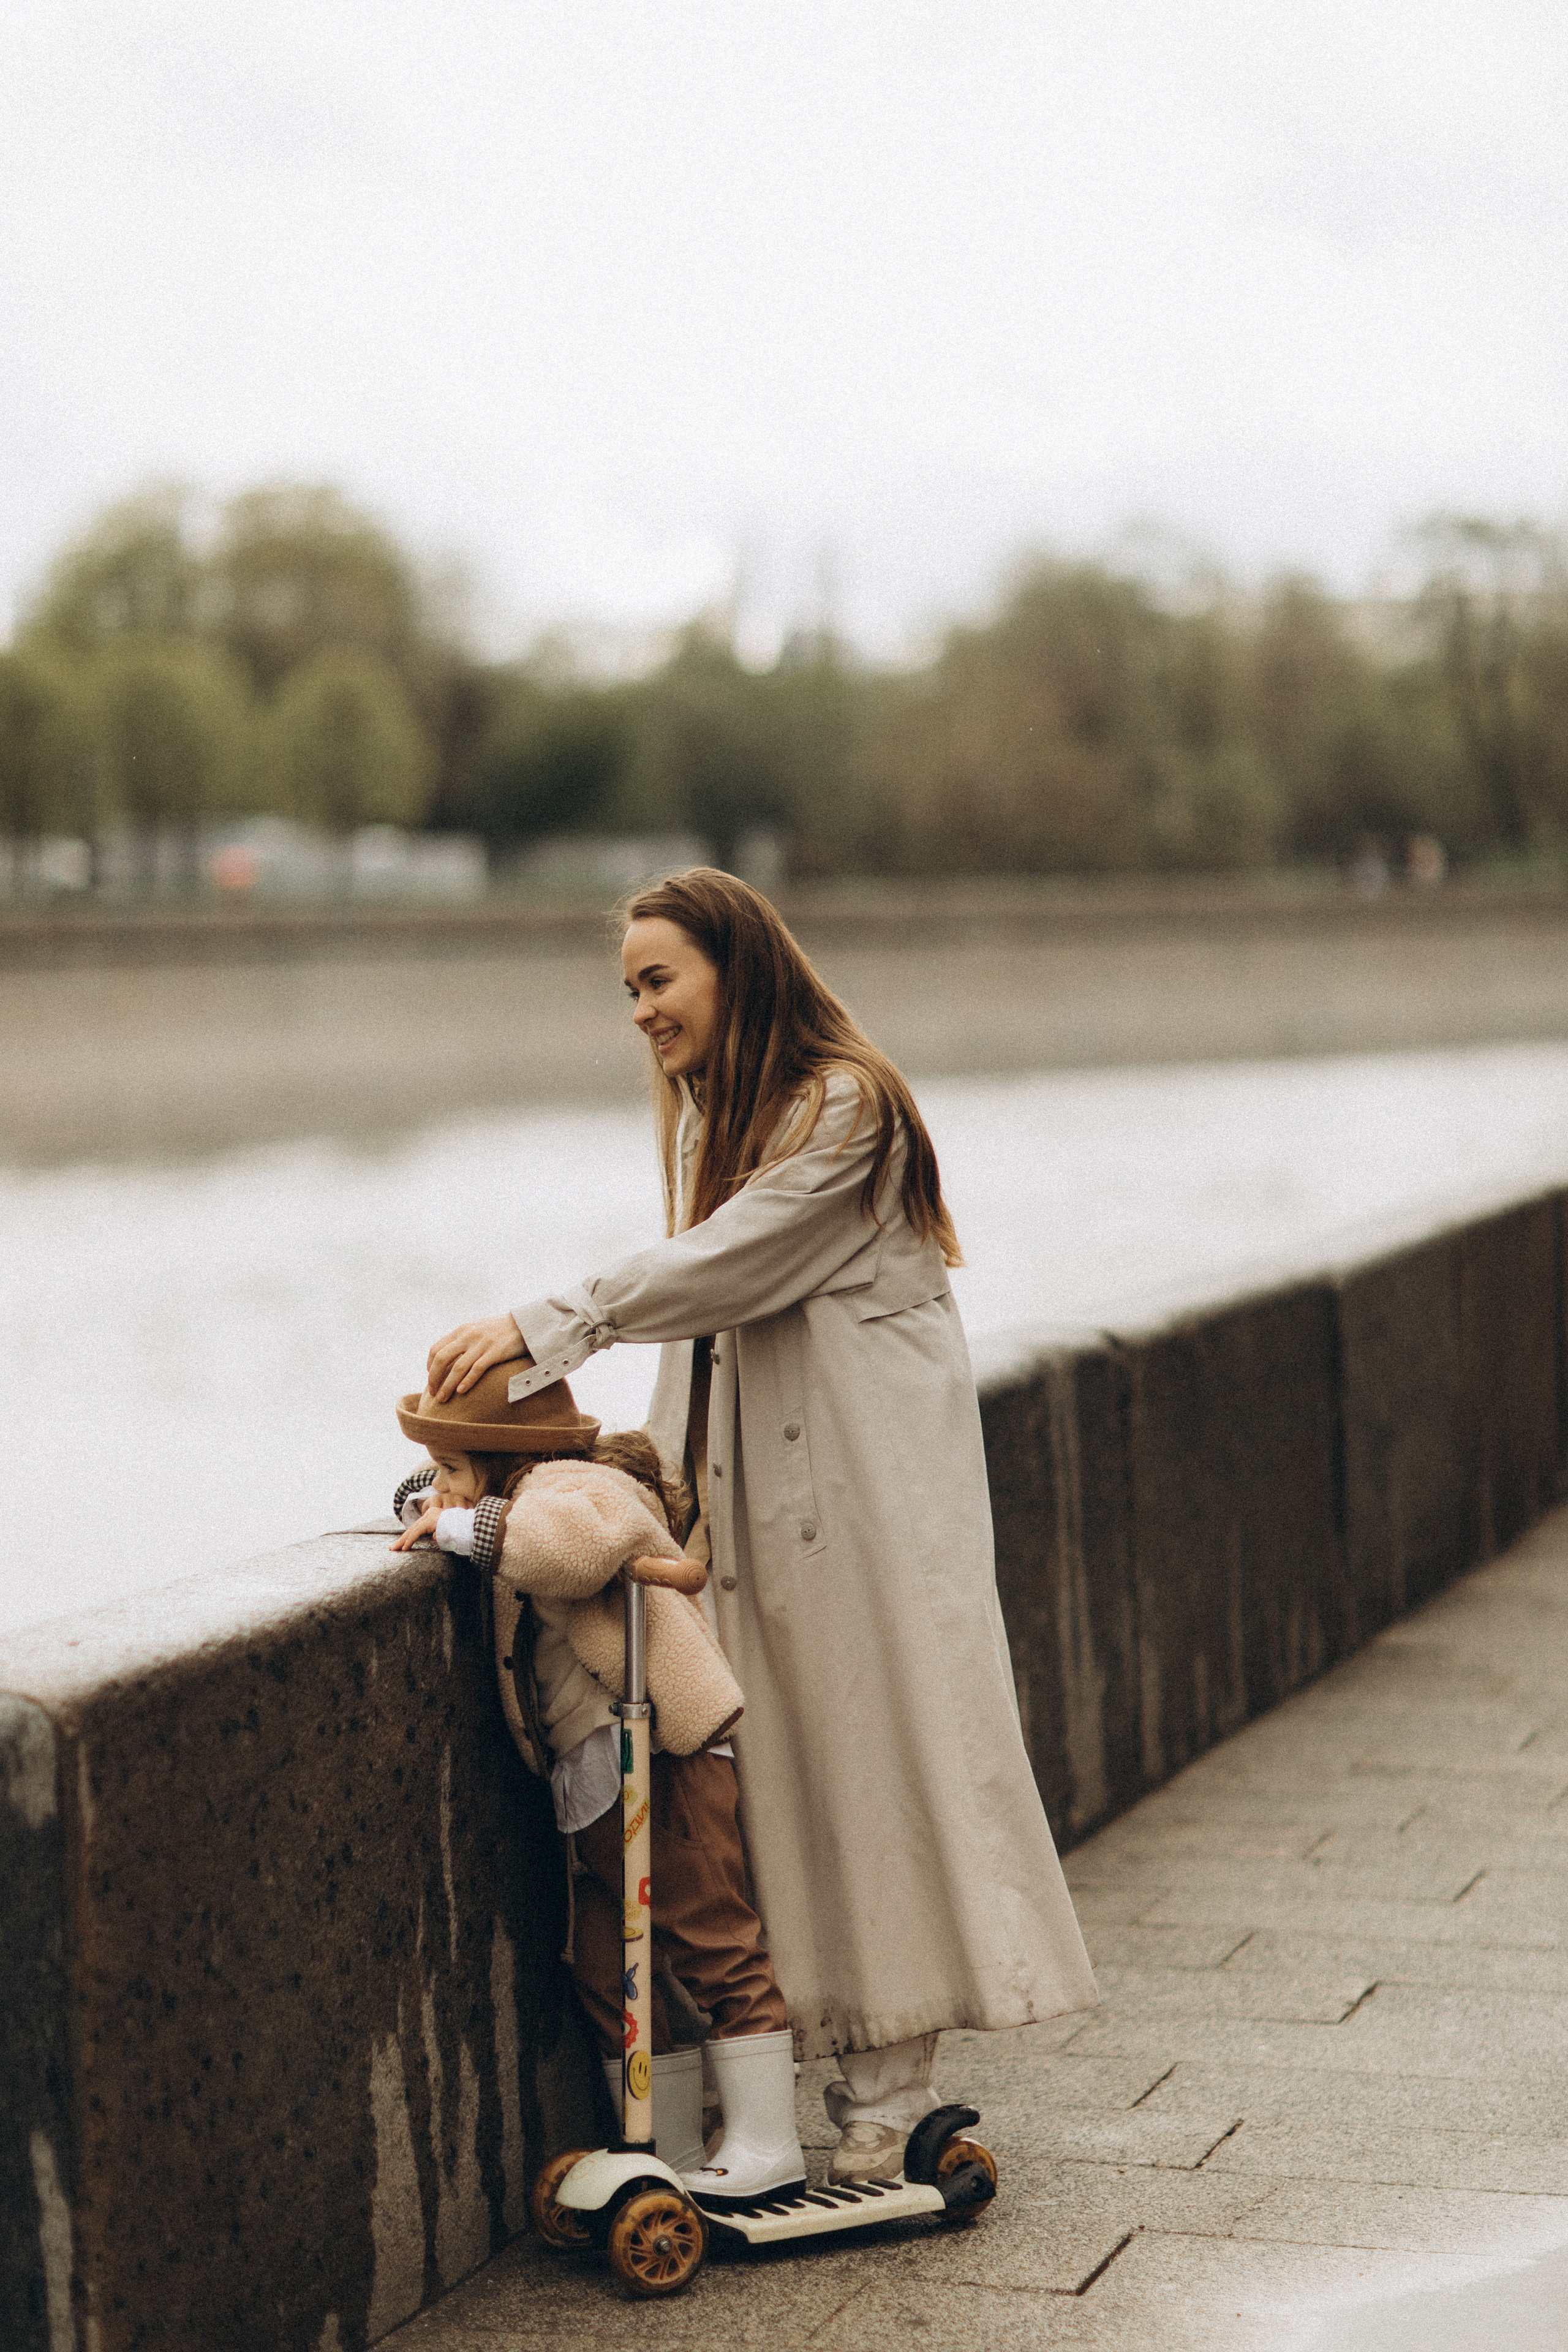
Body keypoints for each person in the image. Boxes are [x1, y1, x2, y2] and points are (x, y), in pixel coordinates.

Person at [427, 868, 1098, 2186]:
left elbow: (722, 1269)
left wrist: (543, 1323)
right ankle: (809, 2089)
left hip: (867, 1509)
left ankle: (885, 2090)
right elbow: (712, 1327)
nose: (641, 1011)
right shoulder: (707, 1120)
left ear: (739, 968)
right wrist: (658, 1486)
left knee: (878, 1761)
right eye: (627, 988)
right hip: (759, 1507)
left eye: (659, 979)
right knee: (773, 1783)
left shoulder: (847, 1106)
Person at [387, 1360, 805, 2201]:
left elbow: (567, 1555)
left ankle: (770, 2142)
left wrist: (461, 1526)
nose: (445, 1488)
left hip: (663, 1754)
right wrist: (429, 1507)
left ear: (507, 1462)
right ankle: (670, 2148)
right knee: (607, 1960)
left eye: (457, 1470)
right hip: (593, 1770)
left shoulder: (581, 1487)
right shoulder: (510, 1494)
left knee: (709, 1937)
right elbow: (431, 1498)